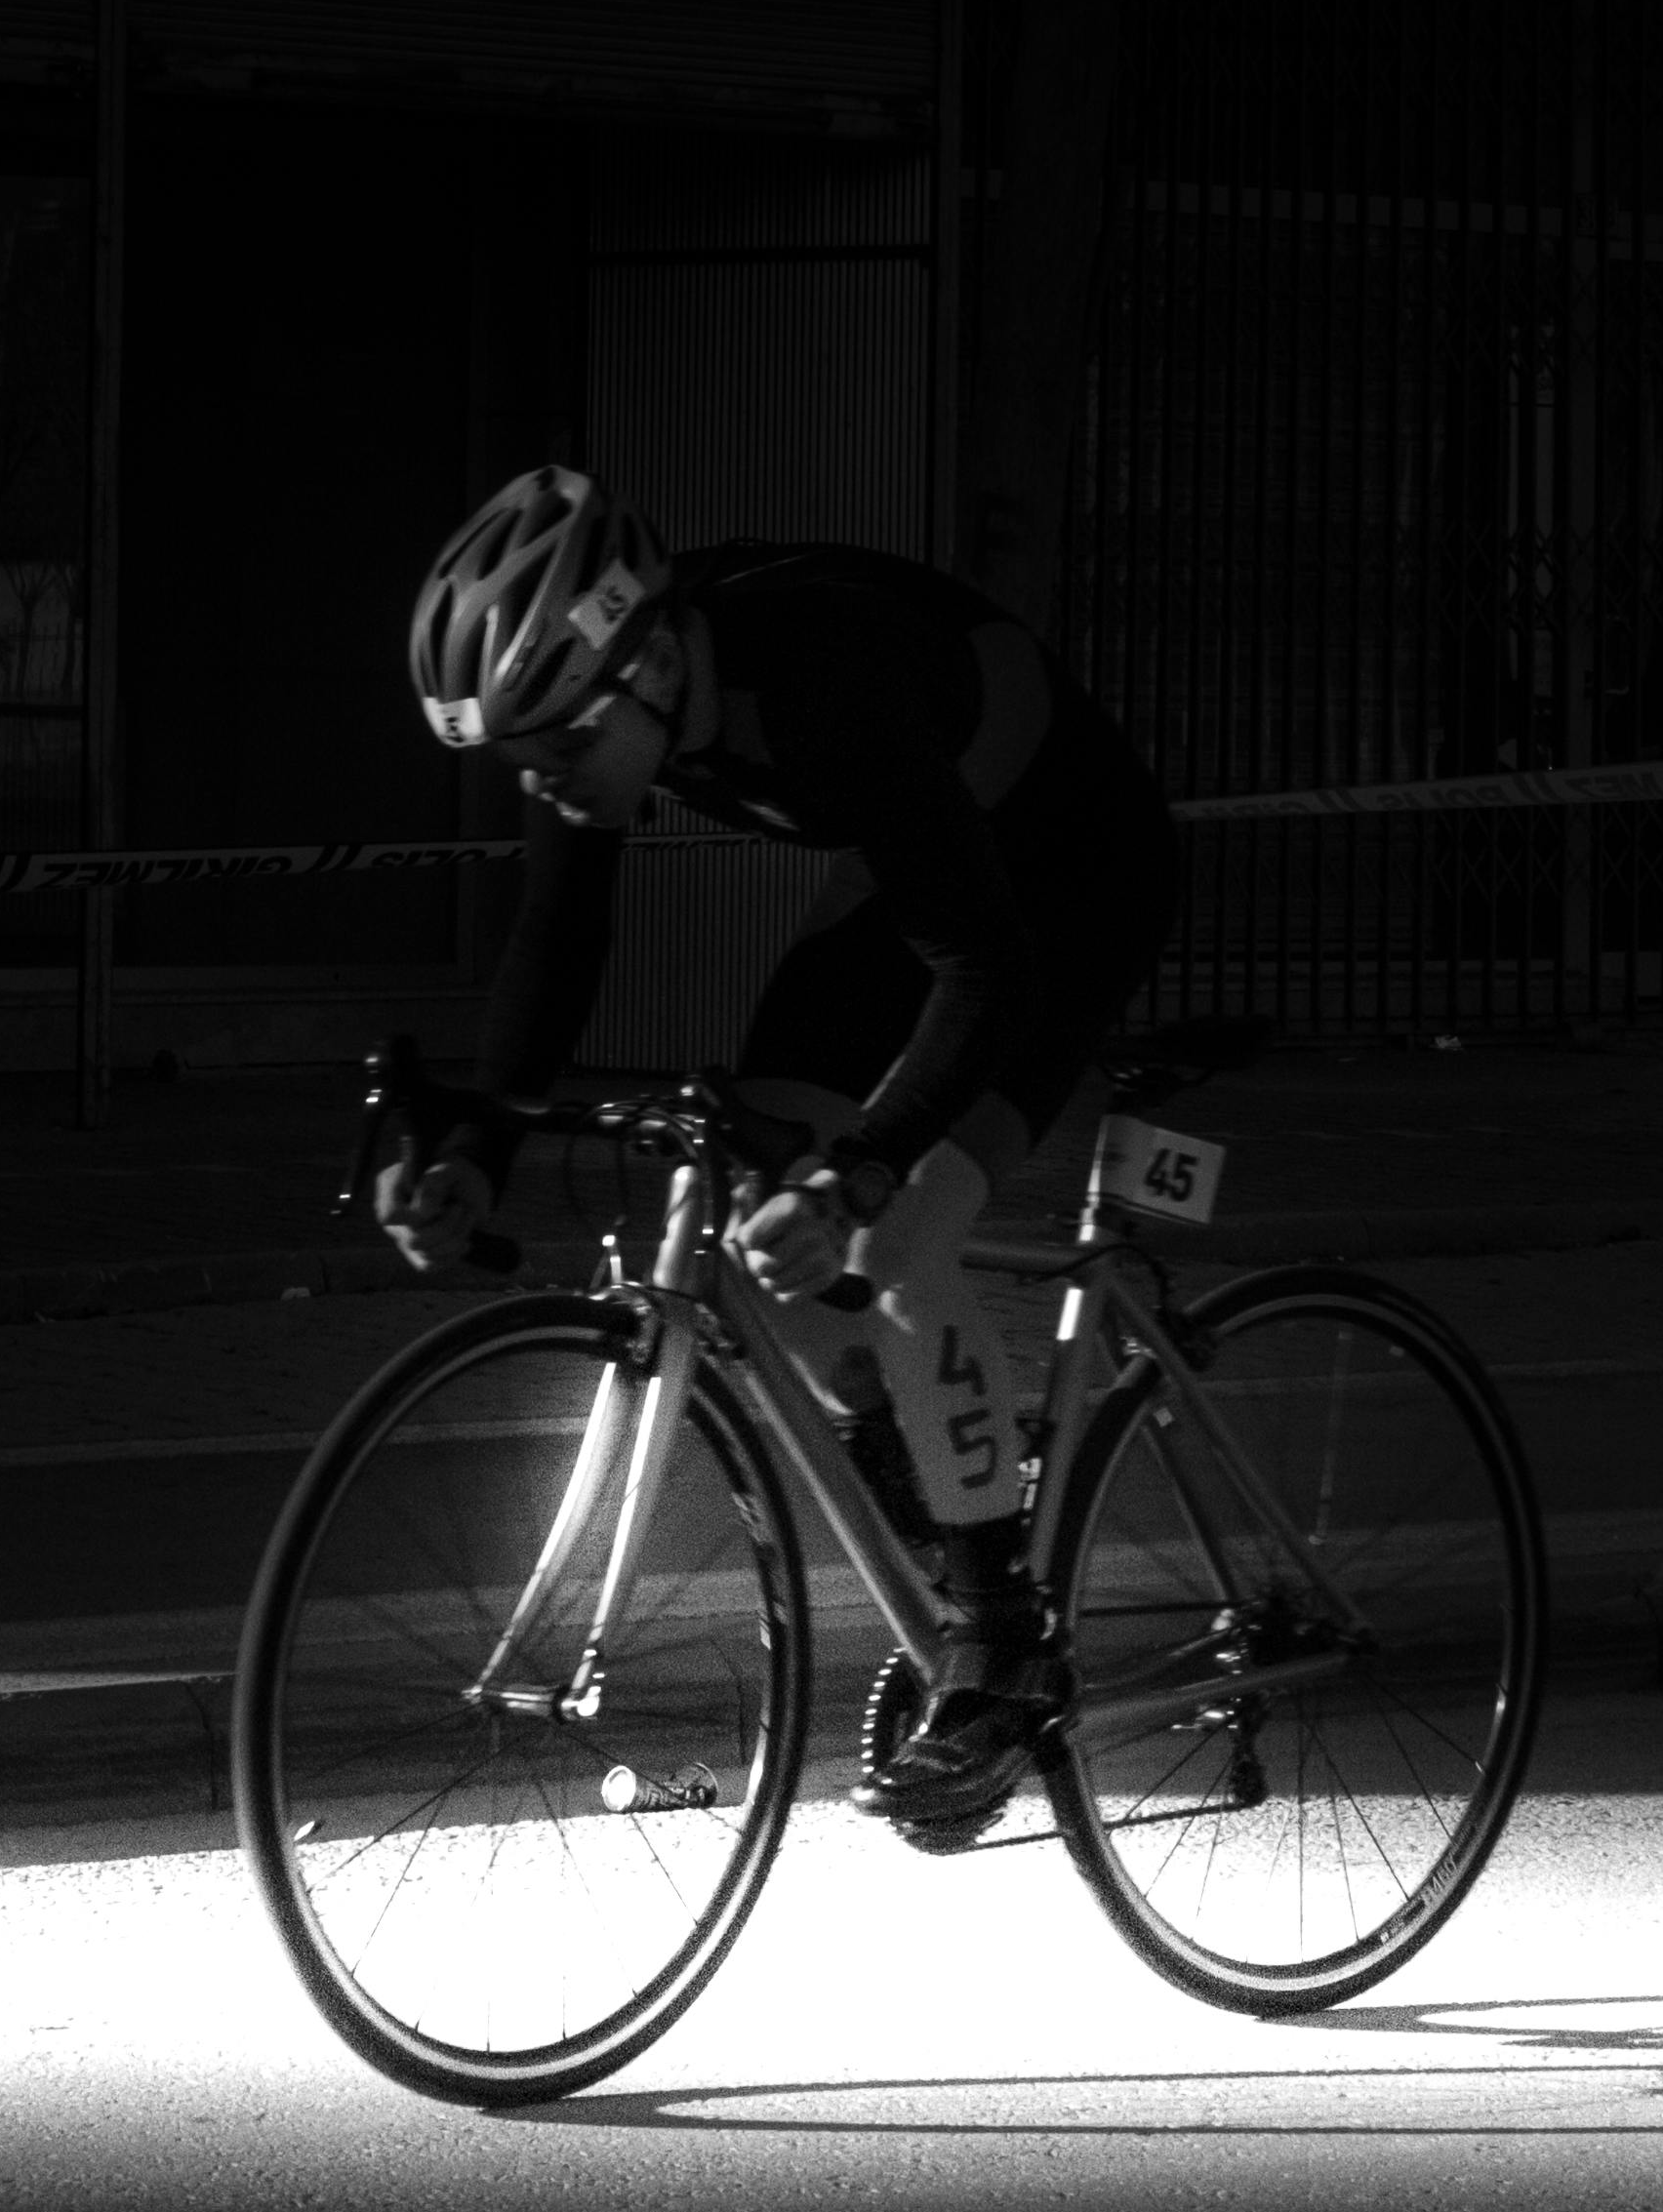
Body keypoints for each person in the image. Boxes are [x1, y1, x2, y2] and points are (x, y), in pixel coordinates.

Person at [385, 463, 1177, 1826]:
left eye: (559, 747)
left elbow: (985, 971)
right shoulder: (612, 709)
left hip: (1066, 884)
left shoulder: (823, 685)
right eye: (520, 757)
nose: (545, 779)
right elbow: (562, 936)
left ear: (637, 665)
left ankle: (1003, 1646)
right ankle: (955, 1481)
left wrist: (866, 1166)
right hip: (927, 863)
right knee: (770, 1196)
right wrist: (479, 1145)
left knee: (896, 1222)